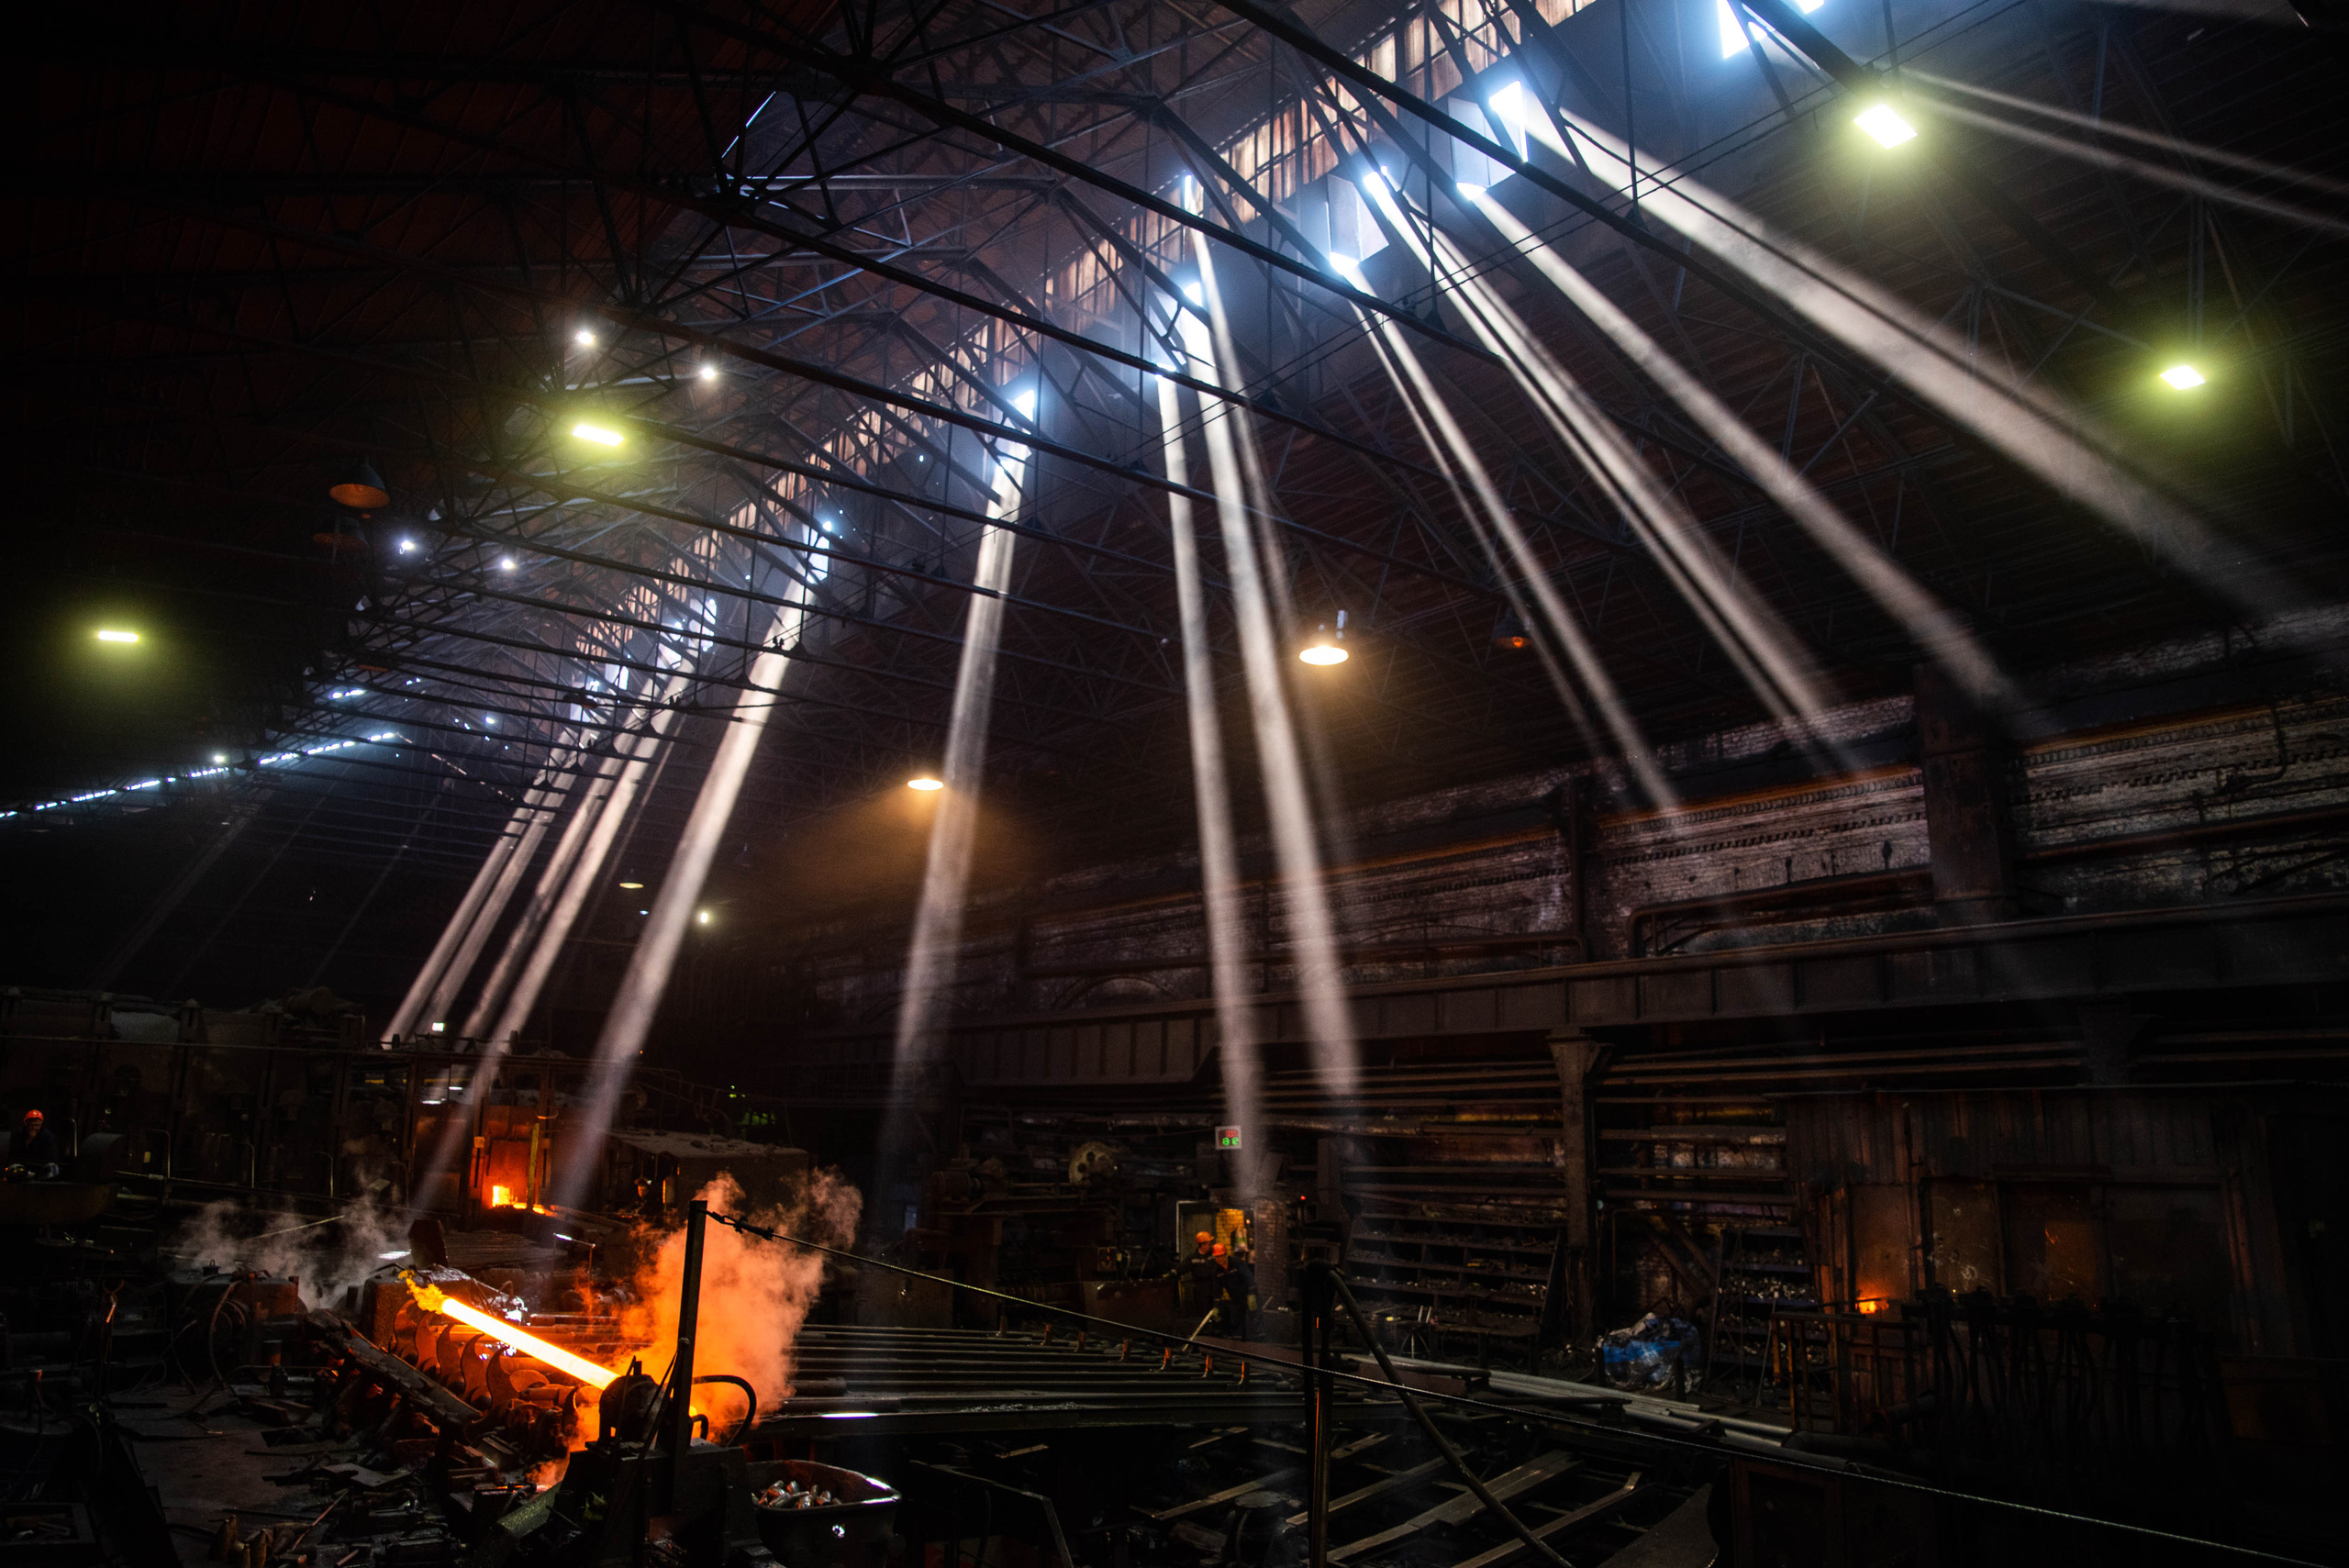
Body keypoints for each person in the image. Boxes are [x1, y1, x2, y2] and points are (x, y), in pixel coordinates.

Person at [1214, 1242, 1255, 1340]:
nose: (1219, 1259)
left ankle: (1253, 1341)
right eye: (1216, 1257)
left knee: (1253, 1316)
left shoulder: (1237, 1263)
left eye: (1220, 1256)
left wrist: (1252, 1295)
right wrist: (1216, 1307)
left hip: (1248, 1294)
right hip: (1236, 1297)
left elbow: (1249, 1278)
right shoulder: (1216, 1270)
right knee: (1238, 1318)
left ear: (1225, 1255)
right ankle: (1239, 1341)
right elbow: (1217, 1290)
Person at [6, 1110, 61, 1180]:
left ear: (41, 1124)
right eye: (31, 1125)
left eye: (37, 1125)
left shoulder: (47, 1135)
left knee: (52, 1169)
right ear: (26, 1123)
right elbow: (15, 1153)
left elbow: (50, 1156)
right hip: (22, 1165)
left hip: (40, 1166)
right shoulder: (18, 1133)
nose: (34, 1128)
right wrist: (29, 1139)